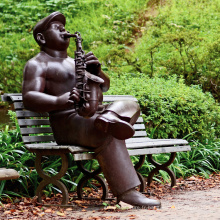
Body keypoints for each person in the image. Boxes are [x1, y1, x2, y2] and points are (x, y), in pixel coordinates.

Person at [22, 11, 161, 208]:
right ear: (41, 38)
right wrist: (60, 100)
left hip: (91, 115)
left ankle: (109, 118)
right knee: (106, 132)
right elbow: (29, 98)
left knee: (130, 102)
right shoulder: (37, 64)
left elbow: (105, 86)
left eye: (65, 27)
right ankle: (127, 192)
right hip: (68, 123)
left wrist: (97, 71)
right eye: (57, 28)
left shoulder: (75, 62)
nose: (64, 30)